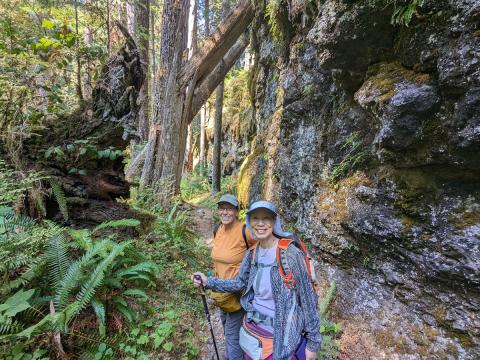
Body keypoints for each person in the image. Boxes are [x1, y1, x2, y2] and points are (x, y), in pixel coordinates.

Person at [193, 200, 321, 360]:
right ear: (249, 222)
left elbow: (308, 299)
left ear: (274, 221)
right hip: (253, 334)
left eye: (266, 218)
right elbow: (239, 283)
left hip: (282, 337)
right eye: (255, 218)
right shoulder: (253, 253)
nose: (260, 224)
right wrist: (208, 281)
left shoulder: (290, 254)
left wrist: (313, 343)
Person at [211, 194, 256, 360]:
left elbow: (259, 252)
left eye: (229, 208)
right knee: (225, 326)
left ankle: (234, 355)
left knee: (232, 335)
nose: (225, 212)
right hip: (221, 293)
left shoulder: (245, 231)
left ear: (237, 211)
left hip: (238, 293)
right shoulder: (217, 230)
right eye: (222, 208)